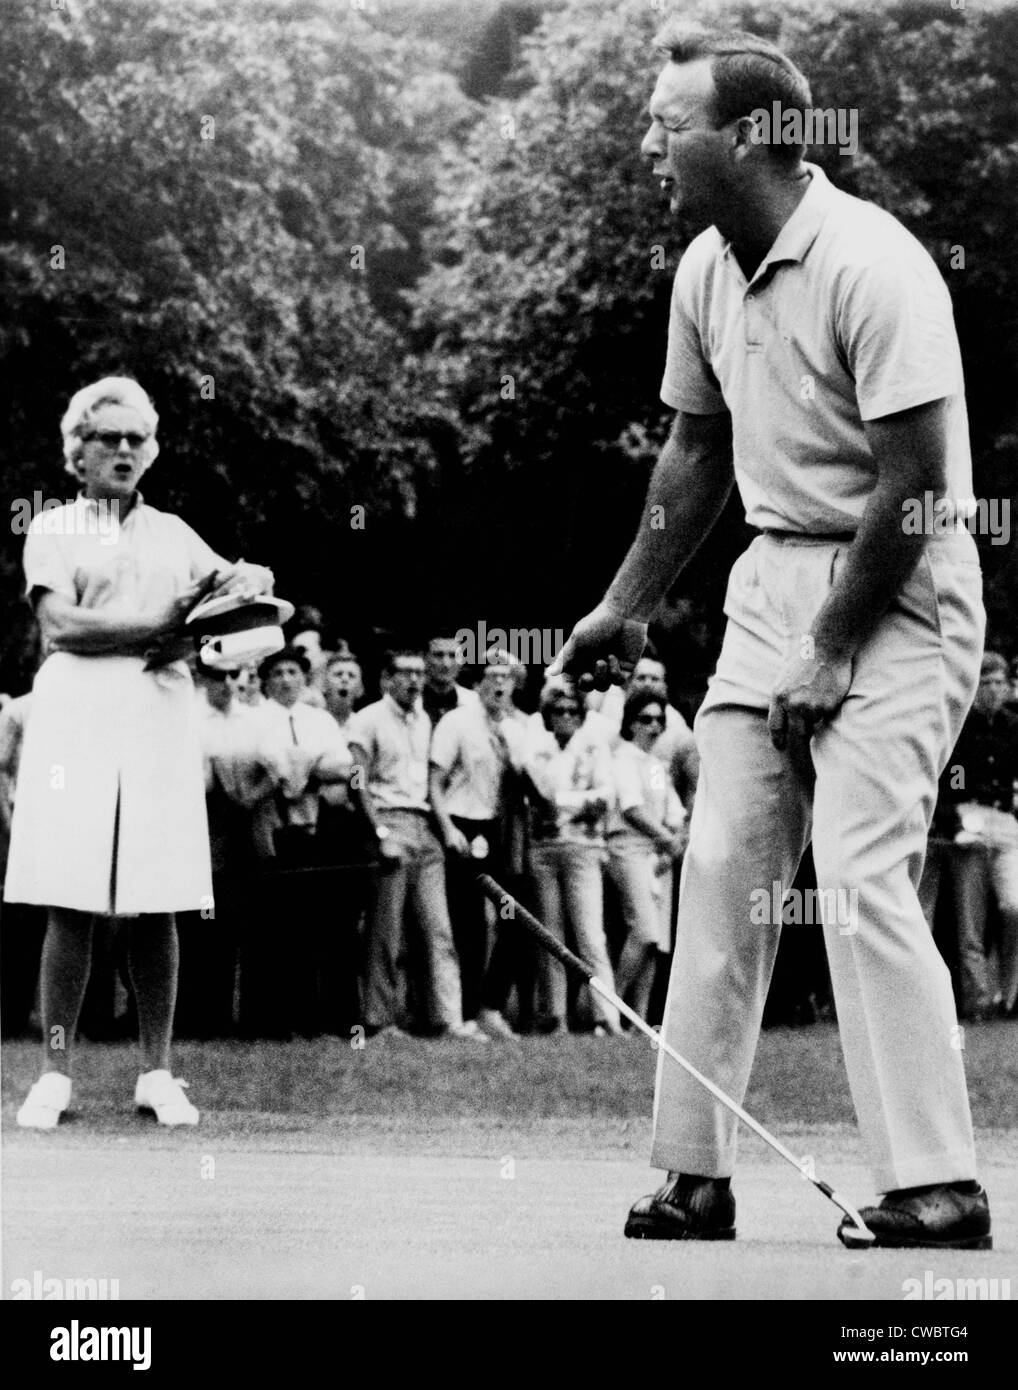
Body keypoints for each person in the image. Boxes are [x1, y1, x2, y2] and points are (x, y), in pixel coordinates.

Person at [551, 25, 990, 1247]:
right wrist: (623, 605)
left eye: (666, 121)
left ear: (748, 136)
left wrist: (834, 645)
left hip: (896, 586)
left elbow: (912, 477)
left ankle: (937, 1183)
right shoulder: (704, 265)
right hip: (770, 583)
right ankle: (692, 1173)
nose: (648, 139)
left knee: (855, 874)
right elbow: (693, 456)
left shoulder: (874, 263)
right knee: (723, 875)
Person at [8, 376, 274, 1128]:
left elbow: (237, 601)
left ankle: (157, 1071)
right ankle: (55, 1074)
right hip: (75, 716)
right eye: (108, 439)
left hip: (158, 717)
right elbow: (61, 628)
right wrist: (158, 626)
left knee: (158, 898)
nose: (124, 451)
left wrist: (250, 581)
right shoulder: (53, 529)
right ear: (78, 453)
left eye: (136, 440)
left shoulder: (175, 533)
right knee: (71, 898)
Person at [347, 648, 484, 1042]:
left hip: (425, 826)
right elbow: (357, 782)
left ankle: (446, 1019)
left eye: (418, 673)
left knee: (438, 929)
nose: (413, 680)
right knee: (385, 931)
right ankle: (380, 1020)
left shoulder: (427, 719)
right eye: (404, 673)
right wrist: (379, 834)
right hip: (388, 822)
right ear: (387, 679)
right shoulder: (368, 719)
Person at [429, 648, 527, 1037]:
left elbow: (526, 782)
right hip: (462, 826)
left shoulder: (518, 728)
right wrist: (449, 829)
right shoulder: (456, 721)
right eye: (491, 676)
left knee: (511, 918)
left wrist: (508, 748)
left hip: (500, 829)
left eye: (506, 678)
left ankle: (491, 1006)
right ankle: (465, 1016)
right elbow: (434, 783)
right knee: (468, 924)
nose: (498, 684)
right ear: (478, 681)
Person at [524, 677, 622, 1035]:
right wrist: (576, 803)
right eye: (557, 711)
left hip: (583, 847)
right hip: (544, 848)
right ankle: (556, 1018)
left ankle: (606, 1018)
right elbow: (537, 791)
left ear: (582, 716)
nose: (565, 716)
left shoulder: (595, 747)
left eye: (572, 711)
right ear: (547, 716)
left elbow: (607, 795)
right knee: (550, 934)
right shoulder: (535, 748)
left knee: (590, 934)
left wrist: (562, 805)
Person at [934, 652, 1018, 1020]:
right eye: (987, 682)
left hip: (1005, 821)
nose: (994, 689)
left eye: (1000, 682)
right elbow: (948, 781)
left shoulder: (1014, 727)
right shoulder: (958, 727)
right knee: (971, 923)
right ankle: (978, 1001)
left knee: (1013, 907)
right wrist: (956, 823)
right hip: (969, 818)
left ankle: (1011, 996)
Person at [605, 689, 687, 1022]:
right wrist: (667, 838)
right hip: (628, 848)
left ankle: (639, 1019)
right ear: (630, 722)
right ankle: (612, 1009)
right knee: (644, 931)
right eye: (645, 719)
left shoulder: (655, 765)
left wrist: (673, 841)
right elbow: (631, 808)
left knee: (657, 944)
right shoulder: (624, 758)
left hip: (658, 855)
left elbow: (674, 811)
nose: (653, 726)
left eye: (659, 720)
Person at [422, 633, 479, 725]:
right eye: (438, 655)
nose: (446, 664)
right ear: (425, 658)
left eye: (453, 656)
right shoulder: (410, 699)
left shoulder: (475, 703)